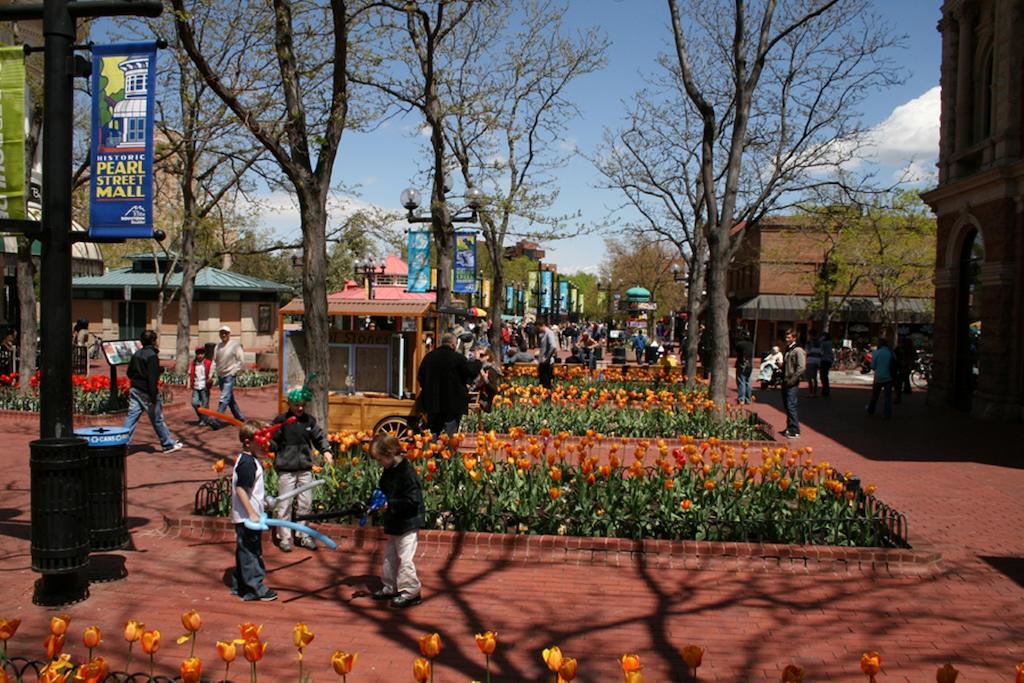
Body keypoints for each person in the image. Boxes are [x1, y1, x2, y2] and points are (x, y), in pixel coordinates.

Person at [271, 387, 333, 552]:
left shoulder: (309, 421)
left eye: (302, 405)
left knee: (305, 504)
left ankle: (303, 535)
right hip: (287, 469)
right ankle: (284, 537)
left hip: (305, 468)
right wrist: (267, 444)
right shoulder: (281, 421)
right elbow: (273, 442)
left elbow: (319, 437)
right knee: (285, 504)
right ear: (289, 404)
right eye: (296, 405)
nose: (300, 408)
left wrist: (326, 450)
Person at [370, 433, 425, 609]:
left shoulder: (407, 474)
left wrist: (390, 504)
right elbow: (383, 488)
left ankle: (411, 591)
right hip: (395, 521)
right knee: (389, 556)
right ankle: (390, 586)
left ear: (391, 453)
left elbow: (413, 501)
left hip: (408, 523)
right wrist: (377, 498)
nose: (380, 464)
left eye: (381, 460)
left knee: (405, 558)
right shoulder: (389, 471)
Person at [230, 419, 277, 602]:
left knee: (245, 550)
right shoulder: (248, 463)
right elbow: (241, 489)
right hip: (246, 518)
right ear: (248, 442)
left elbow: (250, 491)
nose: (264, 445)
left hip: (247, 516)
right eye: (260, 442)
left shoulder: (249, 460)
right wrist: (252, 512)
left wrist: (260, 504)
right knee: (251, 552)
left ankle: (241, 585)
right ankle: (255, 588)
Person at [123, 330, 183, 452]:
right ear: (153, 341)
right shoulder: (152, 356)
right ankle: (167, 444)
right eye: (156, 339)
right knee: (157, 419)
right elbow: (151, 379)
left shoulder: (137, 354)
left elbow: (130, 372)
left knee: (131, 418)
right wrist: (153, 396)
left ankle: (122, 444)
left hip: (135, 389)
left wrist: (153, 371)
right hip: (147, 391)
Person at [417, 332, 478, 437]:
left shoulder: (429, 357)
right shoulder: (458, 358)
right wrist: (477, 361)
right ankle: (450, 452)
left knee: (433, 432)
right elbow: (471, 372)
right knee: (451, 433)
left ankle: (433, 452)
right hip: (453, 403)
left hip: (433, 402)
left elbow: (420, 377)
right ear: (453, 344)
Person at [210, 325, 246, 429]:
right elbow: (214, 361)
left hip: (230, 375)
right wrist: (211, 375)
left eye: (225, 333)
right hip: (221, 375)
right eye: (221, 333)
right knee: (229, 398)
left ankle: (217, 420)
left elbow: (241, 360)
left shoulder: (235, 345)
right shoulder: (218, 346)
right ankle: (239, 416)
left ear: (229, 334)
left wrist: (234, 372)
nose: (223, 335)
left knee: (224, 397)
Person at [780, 328, 806, 439]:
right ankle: (790, 427)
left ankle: (795, 429)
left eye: (789, 337)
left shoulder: (798, 350)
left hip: (792, 382)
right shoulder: (788, 349)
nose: (786, 339)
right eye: (786, 337)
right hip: (785, 380)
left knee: (791, 405)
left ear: (794, 338)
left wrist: (793, 379)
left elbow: (802, 367)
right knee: (787, 405)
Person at [867, 337, 895, 418]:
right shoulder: (891, 353)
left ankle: (871, 409)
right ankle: (887, 413)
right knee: (888, 397)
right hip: (889, 377)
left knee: (875, 395)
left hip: (878, 377)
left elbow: (872, 366)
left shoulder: (877, 353)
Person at [472, 348, 502, 412]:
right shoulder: (477, 368)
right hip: (475, 396)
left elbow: (494, 390)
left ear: (488, 356)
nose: (478, 357)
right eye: (476, 355)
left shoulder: (490, 370)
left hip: (485, 401)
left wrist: (485, 380)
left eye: (481, 355)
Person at [189, 346, 213, 426]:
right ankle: (201, 416)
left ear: (204, 354)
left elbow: (212, 373)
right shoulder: (193, 363)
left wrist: (210, 379)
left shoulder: (208, 363)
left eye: (202, 353)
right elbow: (190, 374)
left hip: (204, 386)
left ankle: (204, 420)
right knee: (194, 403)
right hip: (196, 386)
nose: (200, 356)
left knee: (205, 404)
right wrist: (189, 384)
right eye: (198, 354)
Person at [537, 319, 559, 389]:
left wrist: (547, 357)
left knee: (546, 384)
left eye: (538, 328)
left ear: (542, 325)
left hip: (546, 363)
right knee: (543, 384)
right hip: (543, 362)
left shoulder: (549, 333)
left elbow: (553, 346)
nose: (538, 330)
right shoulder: (545, 334)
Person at [734, 328, 754, 405]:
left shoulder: (740, 344)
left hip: (742, 364)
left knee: (741, 381)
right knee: (748, 382)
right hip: (749, 364)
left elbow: (736, 351)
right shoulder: (751, 344)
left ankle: (741, 399)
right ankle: (748, 399)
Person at [894, 336, 915, 403]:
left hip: (901, 367)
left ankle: (899, 396)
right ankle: (906, 390)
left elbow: (895, 357)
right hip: (906, 367)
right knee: (905, 378)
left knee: (899, 382)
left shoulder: (900, 348)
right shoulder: (909, 348)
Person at [805, 330, 822, 396]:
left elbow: (807, 351)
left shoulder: (809, 342)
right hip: (817, 360)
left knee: (809, 377)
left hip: (810, 360)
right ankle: (815, 392)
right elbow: (821, 352)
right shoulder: (819, 342)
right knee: (814, 377)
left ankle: (810, 392)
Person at [819, 331, 834, 397]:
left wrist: (821, 339)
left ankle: (825, 390)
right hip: (828, 360)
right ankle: (825, 389)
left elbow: (819, 343)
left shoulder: (826, 343)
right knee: (824, 375)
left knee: (823, 375)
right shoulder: (830, 342)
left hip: (825, 360)